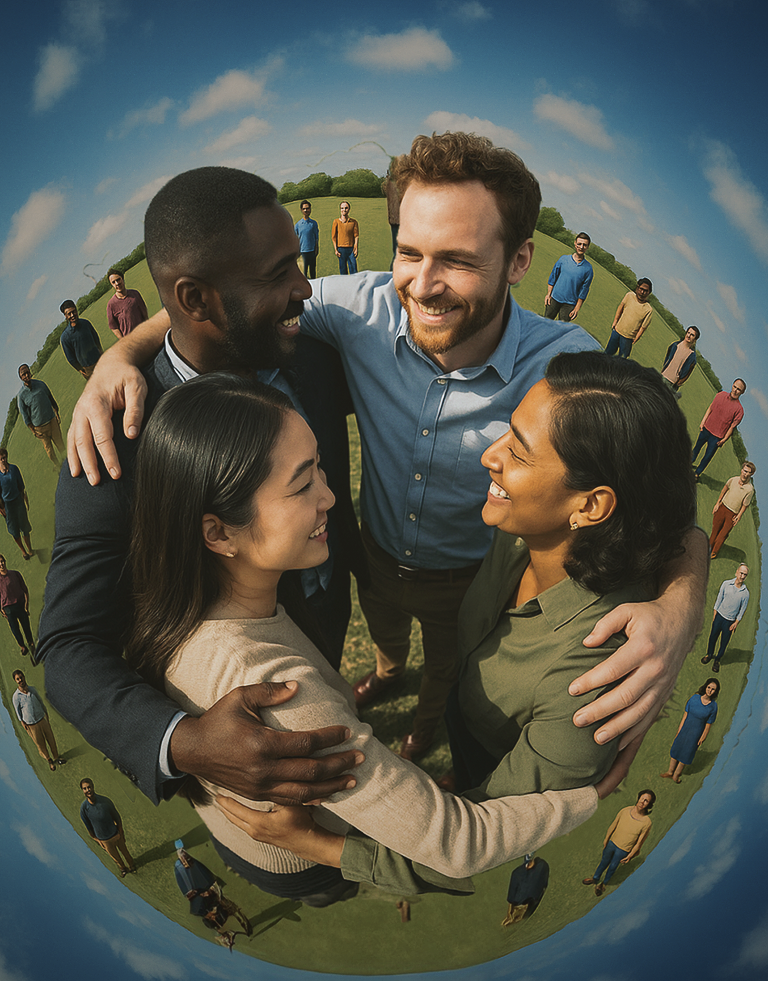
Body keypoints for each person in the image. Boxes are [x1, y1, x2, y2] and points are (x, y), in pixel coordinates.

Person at [64, 136, 707, 772]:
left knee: (449, 671)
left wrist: (677, 610)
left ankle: (426, 726)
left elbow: (668, 500)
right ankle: (385, 670)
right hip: (368, 561)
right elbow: (211, 314)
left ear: (518, 262)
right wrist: (119, 356)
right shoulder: (356, 311)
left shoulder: (569, 366)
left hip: (470, 579)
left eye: (456, 259)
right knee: (390, 647)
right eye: (408, 251)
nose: (422, 285)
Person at [215, 354, 695, 897]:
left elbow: (468, 845)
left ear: (589, 505)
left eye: (517, 451)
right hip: (464, 727)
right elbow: (676, 523)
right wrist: (686, 591)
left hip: (494, 771)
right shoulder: (524, 530)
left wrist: (315, 845)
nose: (490, 455)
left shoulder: (596, 682)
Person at [125, 373, 609, 903]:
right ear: (218, 533)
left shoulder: (180, 596)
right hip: (301, 860)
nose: (331, 496)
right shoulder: (279, 693)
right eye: (302, 484)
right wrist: (585, 797)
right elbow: (458, 842)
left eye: (320, 470)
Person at [37, 167, 371, 808]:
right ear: (195, 300)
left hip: (328, 614)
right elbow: (70, 647)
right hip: (243, 701)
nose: (305, 288)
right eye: (278, 274)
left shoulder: (309, 353)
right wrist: (183, 742)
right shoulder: (118, 437)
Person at [174, 840, 252, 943]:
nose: (215, 917)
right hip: (205, 887)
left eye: (212, 917)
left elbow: (198, 895)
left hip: (198, 886)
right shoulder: (216, 914)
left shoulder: (199, 909)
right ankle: (183, 856)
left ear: (209, 917)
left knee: (186, 865)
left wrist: (208, 894)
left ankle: (182, 854)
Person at [581, 790, 654, 896]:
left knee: (613, 866)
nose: (643, 802)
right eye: (642, 798)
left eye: (646, 801)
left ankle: (603, 884)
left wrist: (630, 856)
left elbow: (639, 843)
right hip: (612, 843)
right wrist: (606, 839)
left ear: (649, 805)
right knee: (604, 862)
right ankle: (595, 879)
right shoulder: (625, 810)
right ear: (638, 798)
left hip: (623, 849)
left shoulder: (647, 822)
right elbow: (613, 825)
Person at [662, 679, 719, 783]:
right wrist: (679, 730)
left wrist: (703, 737)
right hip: (685, 729)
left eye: (713, 689)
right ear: (705, 687)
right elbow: (685, 716)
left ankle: (676, 776)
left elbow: (708, 725)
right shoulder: (694, 698)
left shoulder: (713, 707)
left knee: (686, 753)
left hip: (696, 734)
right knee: (676, 748)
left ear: (716, 692)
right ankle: (670, 772)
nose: (710, 690)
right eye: (709, 687)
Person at [79, 778, 136, 876]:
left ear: (93, 787)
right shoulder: (84, 809)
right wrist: (98, 841)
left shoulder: (105, 801)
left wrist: (120, 832)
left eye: (89, 787)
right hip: (104, 840)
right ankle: (123, 869)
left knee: (125, 852)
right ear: (82, 791)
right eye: (85, 788)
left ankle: (132, 866)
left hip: (115, 834)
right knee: (116, 858)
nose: (88, 790)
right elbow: (89, 828)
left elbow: (117, 817)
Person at [692, 379, 746, 480]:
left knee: (707, 456)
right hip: (706, 428)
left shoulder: (739, 410)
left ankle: (697, 474)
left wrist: (723, 440)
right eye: (734, 387)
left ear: (742, 392)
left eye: (738, 389)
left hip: (717, 437)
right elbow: (710, 408)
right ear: (732, 385)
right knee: (697, 448)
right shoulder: (720, 395)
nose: (735, 390)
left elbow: (732, 427)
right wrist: (703, 422)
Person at [12, 669, 65, 771]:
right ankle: (49, 761)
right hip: (31, 724)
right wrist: (22, 722)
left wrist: (45, 712)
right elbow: (17, 710)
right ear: (15, 681)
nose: (20, 680)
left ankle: (57, 758)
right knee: (40, 744)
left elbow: (40, 701)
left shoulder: (32, 689)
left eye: (21, 677)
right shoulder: (16, 696)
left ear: (24, 677)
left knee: (51, 739)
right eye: (17, 679)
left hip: (41, 719)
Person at [701, 565, 749, 671]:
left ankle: (717, 660)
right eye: (741, 573)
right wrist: (715, 613)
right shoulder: (726, 584)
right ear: (736, 572)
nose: (742, 576)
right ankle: (709, 655)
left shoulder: (745, 593)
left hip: (730, 622)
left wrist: (736, 623)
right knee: (712, 637)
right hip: (719, 617)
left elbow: (742, 610)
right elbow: (719, 598)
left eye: (745, 574)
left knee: (724, 643)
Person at [17, 364, 63, 465]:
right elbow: (25, 416)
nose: (26, 375)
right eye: (23, 374)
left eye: (27, 372)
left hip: (52, 420)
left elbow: (51, 398)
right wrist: (33, 431)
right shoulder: (21, 396)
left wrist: (56, 413)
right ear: (21, 377)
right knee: (50, 452)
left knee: (61, 446)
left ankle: (69, 463)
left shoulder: (41, 384)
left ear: (30, 372)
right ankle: (59, 466)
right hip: (40, 428)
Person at [543, 233, 593, 321]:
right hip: (554, 298)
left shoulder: (588, 269)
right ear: (575, 243)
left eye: (584, 245)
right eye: (579, 244)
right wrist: (548, 294)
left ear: (587, 247)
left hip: (569, 305)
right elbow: (553, 277)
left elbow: (584, 291)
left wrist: (577, 308)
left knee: (560, 331)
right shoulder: (563, 259)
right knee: (545, 324)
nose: (581, 247)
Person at [709, 463, 755, 558]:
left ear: (751, 474)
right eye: (745, 471)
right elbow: (724, 489)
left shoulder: (749, 490)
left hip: (733, 514)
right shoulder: (733, 480)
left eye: (748, 473)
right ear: (741, 470)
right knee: (715, 531)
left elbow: (745, 505)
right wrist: (718, 503)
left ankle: (714, 552)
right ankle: (708, 548)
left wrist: (739, 516)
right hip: (723, 507)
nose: (745, 474)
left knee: (723, 535)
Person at [604, 279, 653, 358]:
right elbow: (621, 307)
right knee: (607, 354)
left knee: (622, 361)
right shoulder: (629, 295)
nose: (642, 292)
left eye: (645, 290)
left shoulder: (648, 309)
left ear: (649, 292)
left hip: (628, 338)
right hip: (617, 331)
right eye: (641, 289)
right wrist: (615, 321)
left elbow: (643, 327)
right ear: (637, 288)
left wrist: (636, 338)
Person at [0, 554, 36, 661]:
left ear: (5, 562)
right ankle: (23, 647)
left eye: (2, 561)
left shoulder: (15, 574)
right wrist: (2, 610)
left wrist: (26, 604)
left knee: (26, 626)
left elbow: (25, 589)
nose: (1, 564)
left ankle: (31, 643)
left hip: (20, 605)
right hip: (8, 609)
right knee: (15, 630)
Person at [0, 448, 32, 559]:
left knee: (25, 526)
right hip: (7, 506)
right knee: (14, 531)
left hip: (18, 501)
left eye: (4, 457)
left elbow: (21, 485)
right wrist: (1, 509)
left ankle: (30, 549)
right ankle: (24, 552)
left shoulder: (14, 469)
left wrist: (24, 497)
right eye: (0, 459)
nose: (3, 460)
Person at [501, 854, 549, 926]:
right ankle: (510, 922)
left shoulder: (541, 866)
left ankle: (512, 921)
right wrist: (509, 913)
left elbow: (544, 883)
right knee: (516, 918)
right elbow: (511, 896)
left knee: (520, 918)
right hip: (523, 903)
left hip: (528, 902)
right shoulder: (517, 873)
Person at [59, 301, 102, 378]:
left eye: (73, 311)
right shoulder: (65, 337)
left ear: (76, 310)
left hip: (100, 360)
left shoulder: (86, 323)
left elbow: (96, 338)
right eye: (69, 314)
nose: (72, 315)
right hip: (87, 369)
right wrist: (81, 370)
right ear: (65, 316)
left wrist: (101, 351)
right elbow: (70, 358)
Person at [106, 269, 149, 338]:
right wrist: (123, 340)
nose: (117, 283)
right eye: (113, 282)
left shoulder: (135, 294)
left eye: (118, 279)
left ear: (122, 278)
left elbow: (144, 314)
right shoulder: (111, 305)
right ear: (112, 285)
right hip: (130, 340)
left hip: (144, 334)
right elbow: (114, 327)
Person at [661, 326, 699, 394]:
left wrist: (679, 382)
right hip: (662, 376)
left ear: (695, 339)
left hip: (672, 383)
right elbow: (668, 356)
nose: (689, 336)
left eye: (692, 335)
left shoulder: (691, 356)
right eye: (688, 333)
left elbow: (688, 371)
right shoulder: (675, 345)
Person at [331, 200, 359, 274]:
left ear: (349, 209)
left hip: (351, 249)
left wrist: (355, 247)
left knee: (354, 268)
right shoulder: (336, 222)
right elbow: (334, 237)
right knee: (343, 269)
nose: (344, 210)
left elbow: (356, 235)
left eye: (346, 208)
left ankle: (355, 284)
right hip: (341, 249)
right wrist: (336, 249)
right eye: (342, 208)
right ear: (340, 209)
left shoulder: (354, 222)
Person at [294, 200, 320, 279]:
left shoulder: (313, 223)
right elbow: (295, 239)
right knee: (303, 274)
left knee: (313, 272)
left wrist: (316, 248)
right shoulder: (298, 225)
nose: (306, 210)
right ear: (301, 210)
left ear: (310, 209)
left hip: (312, 252)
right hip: (303, 252)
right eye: (304, 209)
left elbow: (316, 237)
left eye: (307, 208)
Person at [382, 160, 401, 261]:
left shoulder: (390, 182)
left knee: (397, 250)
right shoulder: (397, 183)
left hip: (394, 219)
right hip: (400, 219)